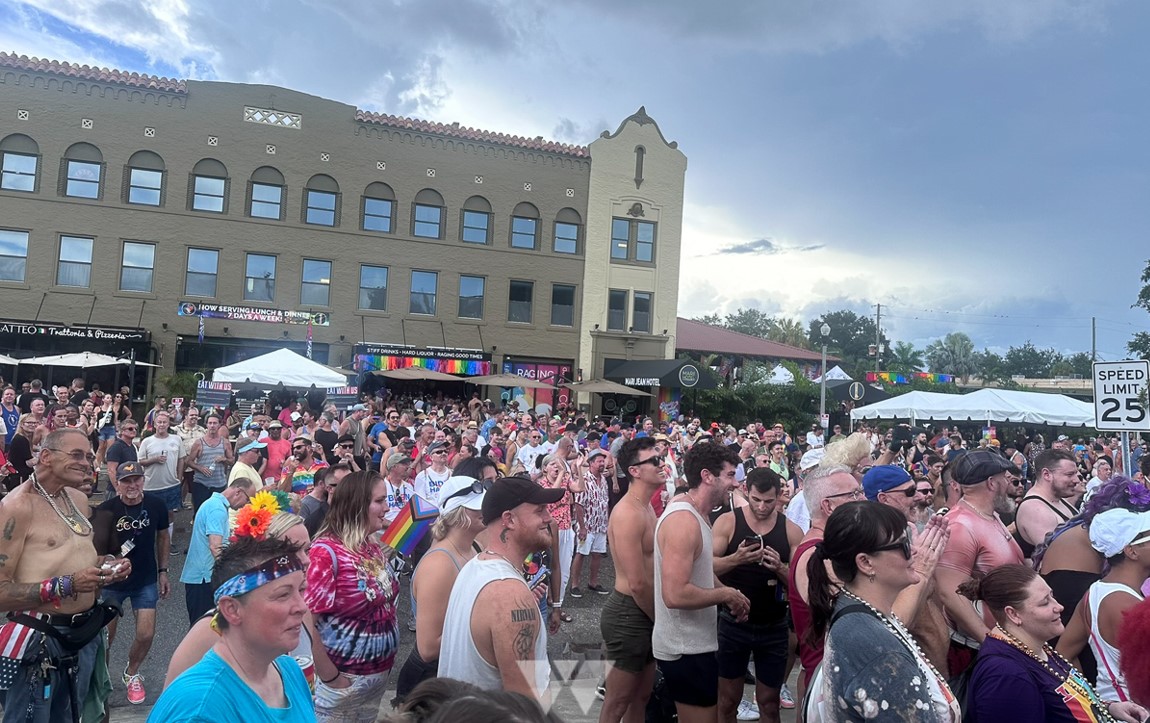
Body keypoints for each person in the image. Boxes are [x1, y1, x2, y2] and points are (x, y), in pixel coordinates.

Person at [0, 427, 133, 722]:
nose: (87, 463)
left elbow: (72, 555)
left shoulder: (76, 499)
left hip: (83, 636)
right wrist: (67, 585)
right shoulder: (16, 507)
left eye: (88, 456)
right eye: (76, 455)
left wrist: (108, 564)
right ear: (46, 456)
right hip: (41, 642)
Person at [805, 501, 959, 721]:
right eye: (904, 545)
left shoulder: (856, 611)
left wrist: (923, 572)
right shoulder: (874, 647)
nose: (915, 550)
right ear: (866, 562)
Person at [148, 536, 314, 722]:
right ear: (232, 609)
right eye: (283, 594)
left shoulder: (290, 670)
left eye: (301, 589)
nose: (302, 607)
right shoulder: (199, 710)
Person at [962, 564, 1147, 723]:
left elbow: (1058, 703)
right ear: (1013, 614)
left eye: (1052, 596)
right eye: (1044, 603)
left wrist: (1109, 708)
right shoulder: (1004, 675)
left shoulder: (1036, 646)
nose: (1059, 606)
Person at [438, 475, 563, 698]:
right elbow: (523, 703)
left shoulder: (476, 564)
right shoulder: (509, 593)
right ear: (509, 519)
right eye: (539, 510)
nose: (549, 518)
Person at [654, 441, 751, 723]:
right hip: (685, 648)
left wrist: (727, 591)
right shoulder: (683, 519)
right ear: (708, 476)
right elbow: (675, 594)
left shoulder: (696, 511)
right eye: (731, 475)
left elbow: (700, 569)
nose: (735, 483)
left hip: (695, 645)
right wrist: (725, 596)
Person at [306, 470, 400, 722]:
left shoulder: (368, 544)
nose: (386, 507)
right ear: (357, 505)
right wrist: (331, 677)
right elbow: (306, 622)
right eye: (379, 501)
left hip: (375, 676)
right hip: (344, 682)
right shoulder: (325, 553)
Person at [712, 466, 803, 723]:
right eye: (756, 500)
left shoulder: (791, 530)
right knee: (728, 701)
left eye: (769, 501)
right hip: (733, 622)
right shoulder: (728, 522)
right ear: (745, 492)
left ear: (779, 497)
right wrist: (736, 559)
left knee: (769, 703)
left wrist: (781, 569)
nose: (762, 507)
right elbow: (705, 566)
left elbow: (802, 584)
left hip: (773, 624)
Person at [394, 475, 488, 703]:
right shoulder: (439, 565)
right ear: (459, 514)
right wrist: (490, 628)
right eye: (477, 506)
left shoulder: (473, 546)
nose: (486, 509)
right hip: (430, 683)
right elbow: (428, 647)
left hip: (453, 672)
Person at [935, 449, 1025, 677]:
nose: (1010, 483)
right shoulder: (960, 525)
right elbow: (950, 592)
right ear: (992, 483)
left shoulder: (988, 516)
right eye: (1005, 477)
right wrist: (989, 640)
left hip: (1006, 641)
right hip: (979, 651)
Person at [91, 461, 170, 705]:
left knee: (146, 634)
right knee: (105, 638)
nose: (132, 485)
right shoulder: (106, 510)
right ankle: (101, 681)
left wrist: (163, 571)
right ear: (117, 484)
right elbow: (95, 551)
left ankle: (131, 673)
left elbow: (162, 537)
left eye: (136, 479)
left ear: (143, 480)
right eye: (126, 481)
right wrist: (109, 563)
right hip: (113, 582)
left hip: (144, 580)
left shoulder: (156, 505)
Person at [786, 463, 863, 704]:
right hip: (832, 690)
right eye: (853, 494)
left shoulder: (831, 548)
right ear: (828, 506)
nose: (863, 499)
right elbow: (860, 622)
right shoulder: (816, 554)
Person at [1056, 508, 1150, 703]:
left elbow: (1063, 655)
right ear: (1131, 551)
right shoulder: (1128, 605)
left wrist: (1096, 701)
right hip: (1135, 712)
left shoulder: (1095, 592)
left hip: (1114, 708)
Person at [179, 476, 255, 624]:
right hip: (203, 578)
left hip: (203, 576)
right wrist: (230, 574)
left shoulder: (214, 504)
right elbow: (215, 546)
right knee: (202, 628)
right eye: (247, 499)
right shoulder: (217, 509)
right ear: (238, 492)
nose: (245, 505)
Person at [1015, 449, 1082, 560]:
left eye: (1075, 473)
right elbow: (1057, 557)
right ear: (1046, 474)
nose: (1076, 480)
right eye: (1070, 474)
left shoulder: (1059, 499)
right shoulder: (1035, 509)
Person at [569, 448, 610, 598]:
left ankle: (593, 582)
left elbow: (605, 501)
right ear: (591, 463)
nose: (602, 463)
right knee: (581, 554)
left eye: (603, 460)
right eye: (599, 461)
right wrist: (582, 527)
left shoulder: (604, 479)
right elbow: (579, 505)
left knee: (597, 554)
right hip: (587, 524)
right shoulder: (585, 480)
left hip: (600, 524)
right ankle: (574, 584)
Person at [138, 410, 184, 537]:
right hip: (151, 486)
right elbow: (140, 462)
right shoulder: (147, 441)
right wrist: (154, 459)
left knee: (169, 514)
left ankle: (168, 541)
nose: (162, 425)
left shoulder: (177, 439)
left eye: (164, 422)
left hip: (171, 485)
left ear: (169, 424)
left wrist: (179, 478)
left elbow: (181, 459)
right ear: (155, 424)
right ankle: (151, 540)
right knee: (150, 514)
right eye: (159, 422)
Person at [187, 413, 233, 513]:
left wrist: (224, 459)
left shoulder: (225, 442)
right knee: (199, 512)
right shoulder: (199, 442)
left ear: (219, 425)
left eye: (215, 423)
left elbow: (232, 461)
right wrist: (200, 468)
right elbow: (189, 461)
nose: (212, 425)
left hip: (219, 484)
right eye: (210, 423)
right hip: (201, 484)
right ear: (206, 425)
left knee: (216, 512)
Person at [301, 464, 351, 538]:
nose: (352, 488)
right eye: (346, 484)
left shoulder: (358, 514)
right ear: (330, 488)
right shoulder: (315, 521)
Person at [106, 417, 140, 497]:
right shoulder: (116, 447)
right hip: (115, 491)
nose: (134, 431)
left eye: (135, 429)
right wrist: (117, 488)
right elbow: (111, 470)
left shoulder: (132, 447)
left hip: (129, 488)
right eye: (130, 429)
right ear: (122, 431)